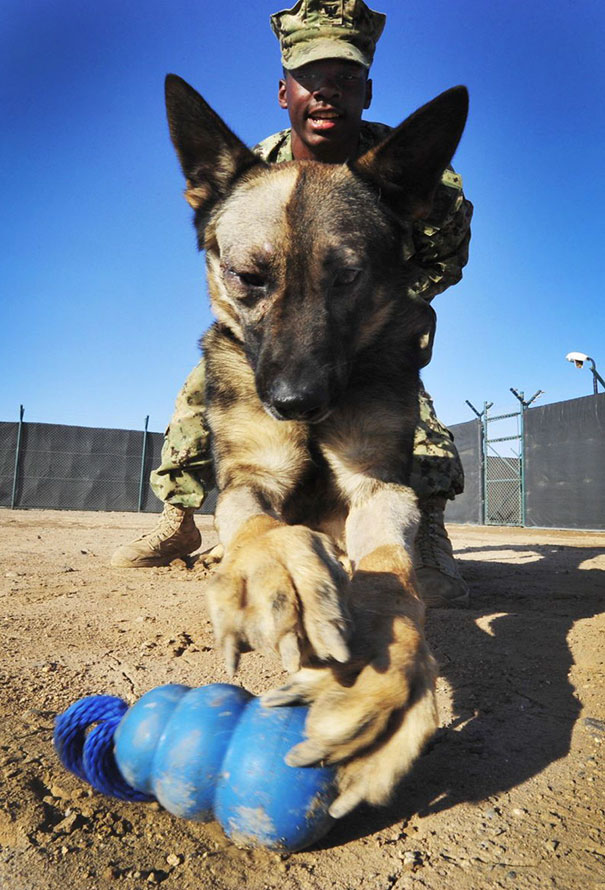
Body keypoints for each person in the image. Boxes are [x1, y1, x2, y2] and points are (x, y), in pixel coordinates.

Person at [111, 0, 473, 608]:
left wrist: (402, 307)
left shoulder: (412, 173)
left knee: (405, 398)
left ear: (367, 91)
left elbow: (446, 258)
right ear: (286, 93)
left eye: (346, 79)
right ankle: (180, 515)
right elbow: (233, 255)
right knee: (210, 380)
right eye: (311, 79)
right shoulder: (253, 168)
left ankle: (426, 526)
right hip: (280, 314)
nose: (327, 93)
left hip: (367, 311)